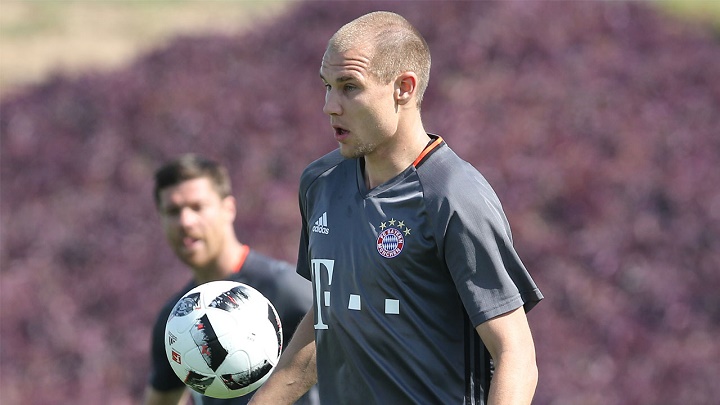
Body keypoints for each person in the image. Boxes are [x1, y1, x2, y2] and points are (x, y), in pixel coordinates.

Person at [249, 11, 543, 405]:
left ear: (403, 88)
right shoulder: (319, 183)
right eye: (327, 86)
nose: (330, 106)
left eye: (349, 87)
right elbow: (330, 317)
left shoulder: (454, 196)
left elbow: (515, 354)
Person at [143, 154, 319, 405]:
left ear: (229, 208)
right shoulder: (174, 319)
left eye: (197, 207)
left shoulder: (285, 289)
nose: (185, 221)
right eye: (173, 211)